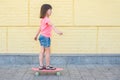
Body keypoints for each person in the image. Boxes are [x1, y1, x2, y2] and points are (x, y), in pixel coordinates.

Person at [34, 4, 63, 70]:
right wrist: (58, 32)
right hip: (46, 37)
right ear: (46, 10)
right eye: (50, 10)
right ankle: (47, 66)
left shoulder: (43, 20)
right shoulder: (47, 20)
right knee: (47, 52)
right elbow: (52, 26)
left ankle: (41, 65)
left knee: (42, 51)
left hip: (41, 36)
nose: (51, 11)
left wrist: (36, 36)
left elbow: (40, 29)